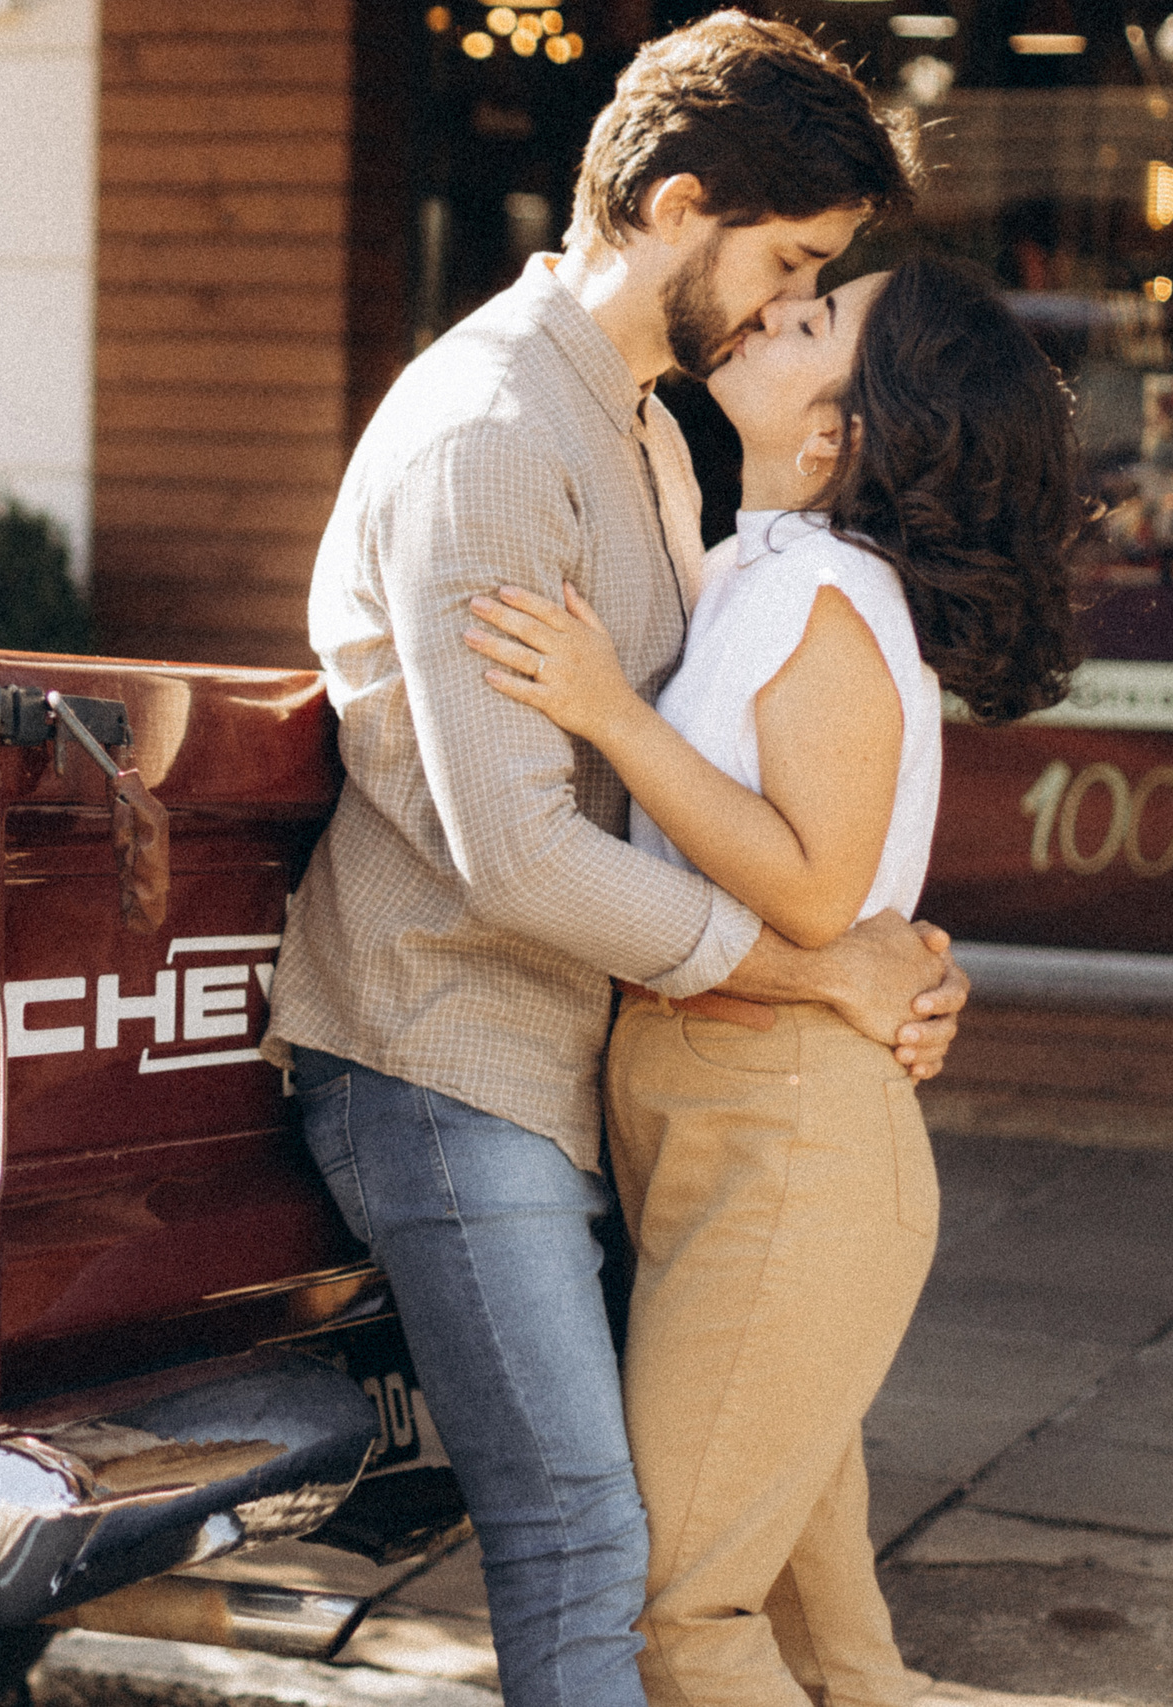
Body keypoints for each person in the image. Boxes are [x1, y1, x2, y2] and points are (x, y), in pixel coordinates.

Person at [260, 16, 967, 1707]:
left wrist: (897, 954)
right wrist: (821, 970)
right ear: (672, 201)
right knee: (586, 1529)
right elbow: (515, 851)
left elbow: (699, 777)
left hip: (591, 1053)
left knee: (685, 1521)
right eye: (787, 260)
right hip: (450, 1053)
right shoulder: (491, 432)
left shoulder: (644, 426)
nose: (792, 304)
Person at [466, 256, 1082, 1706]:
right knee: (839, 1657)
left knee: (676, 1612)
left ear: (841, 432)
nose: (772, 311)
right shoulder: (768, 571)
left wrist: (608, 713)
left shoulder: (826, 599)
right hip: (732, 1122)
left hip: (787, 1138)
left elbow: (812, 887)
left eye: (814, 323)